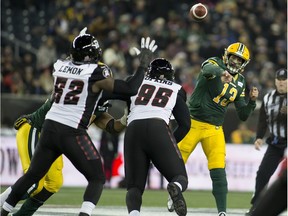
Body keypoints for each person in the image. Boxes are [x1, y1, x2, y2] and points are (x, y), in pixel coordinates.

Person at [0, 28, 158, 216]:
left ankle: (7, 212)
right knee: (96, 177)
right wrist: (143, 65)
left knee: (42, 179)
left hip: (50, 128)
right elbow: (129, 87)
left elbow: (110, 123)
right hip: (57, 129)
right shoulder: (97, 76)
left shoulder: (61, 66)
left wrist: (123, 120)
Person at [167, 42, 259, 216]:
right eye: (233, 57)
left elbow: (243, 115)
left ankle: (222, 212)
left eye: (240, 60)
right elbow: (207, 69)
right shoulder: (215, 63)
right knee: (175, 164)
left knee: (218, 169)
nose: (235, 62)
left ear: (244, 63)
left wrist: (252, 102)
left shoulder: (240, 81)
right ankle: (175, 193)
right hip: (192, 122)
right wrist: (221, 73)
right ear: (226, 56)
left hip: (214, 128)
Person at [0, 97, 127, 216]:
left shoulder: (94, 100)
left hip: (51, 137)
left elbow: (111, 126)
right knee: (35, 184)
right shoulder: (77, 92)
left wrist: (124, 119)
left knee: (54, 184)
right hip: (35, 128)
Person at [123, 58, 191, 216]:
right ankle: (175, 187)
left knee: (134, 187)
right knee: (180, 177)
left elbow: (122, 92)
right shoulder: (176, 88)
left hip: (133, 129)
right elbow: (185, 124)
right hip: (158, 128)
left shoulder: (135, 83)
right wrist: (169, 143)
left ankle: (134, 214)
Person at [245, 68, 287, 216]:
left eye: (284, 79)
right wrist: (259, 137)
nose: (281, 82)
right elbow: (263, 119)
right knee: (263, 174)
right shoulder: (268, 98)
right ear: (275, 81)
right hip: (275, 143)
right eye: (279, 80)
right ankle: (257, 205)